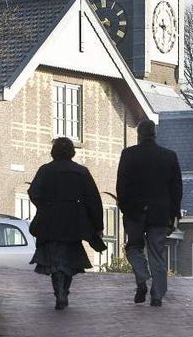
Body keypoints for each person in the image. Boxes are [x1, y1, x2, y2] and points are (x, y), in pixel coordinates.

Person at [28, 136, 104, 310]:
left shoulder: (45, 170)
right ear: (72, 152)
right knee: (70, 259)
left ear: (53, 152)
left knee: (55, 260)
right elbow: (94, 200)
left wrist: (44, 207)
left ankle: (59, 291)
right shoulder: (82, 172)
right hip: (74, 222)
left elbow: (33, 192)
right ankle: (64, 291)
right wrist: (98, 226)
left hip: (50, 221)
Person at [115, 119, 183, 307]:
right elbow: (176, 188)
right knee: (157, 253)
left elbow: (121, 185)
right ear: (154, 134)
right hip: (160, 213)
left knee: (133, 248)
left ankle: (142, 276)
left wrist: (125, 208)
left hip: (135, 213)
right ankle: (157, 296)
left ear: (138, 135)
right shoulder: (169, 156)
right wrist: (174, 214)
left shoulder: (128, 155)